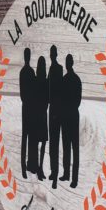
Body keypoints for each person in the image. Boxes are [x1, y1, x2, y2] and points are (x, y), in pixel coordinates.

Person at [60, 53, 82, 189]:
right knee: (67, 147)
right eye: (67, 62)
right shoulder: (70, 79)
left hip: (71, 115)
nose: (68, 64)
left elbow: (77, 99)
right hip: (69, 115)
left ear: (71, 63)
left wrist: (67, 109)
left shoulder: (73, 79)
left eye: (69, 61)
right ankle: (67, 174)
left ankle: (74, 178)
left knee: (73, 147)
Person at [47, 45, 63, 189]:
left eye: (53, 53)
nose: (52, 55)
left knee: (55, 142)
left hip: (57, 109)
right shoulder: (51, 69)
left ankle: (56, 175)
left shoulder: (58, 69)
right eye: (51, 53)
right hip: (51, 109)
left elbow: (57, 89)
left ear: (55, 54)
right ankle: (53, 171)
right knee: (52, 142)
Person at [30, 55, 49, 180]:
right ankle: (40, 167)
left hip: (36, 115)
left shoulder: (35, 80)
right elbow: (48, 99)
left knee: (36, 143)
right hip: (42, 115)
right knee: (42, 144)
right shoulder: (46, 82)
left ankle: (37, 166)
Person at [19, 48, 36, 179]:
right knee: (29, 137)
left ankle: (27, 166)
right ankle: (27, 166)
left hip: (26, 107)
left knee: (27, 137)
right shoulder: (29, 72)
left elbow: (22, 93)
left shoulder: (24, 72)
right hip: (29, 107)